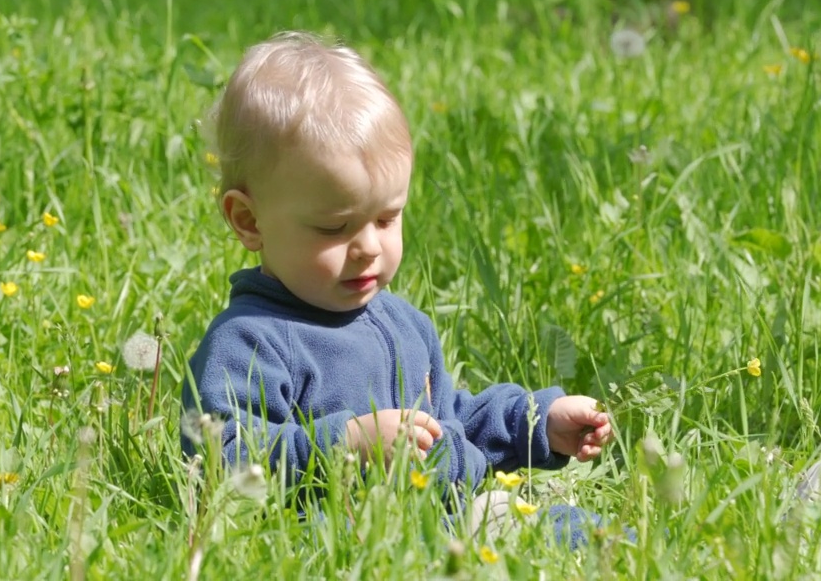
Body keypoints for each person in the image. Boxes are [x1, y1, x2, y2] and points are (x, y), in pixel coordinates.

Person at [181, 31, 616, 547]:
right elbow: (216, 454)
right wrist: (344, 444)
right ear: (249, 220)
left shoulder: (404, 325)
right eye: (334, 228)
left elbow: (452, 420)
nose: (368, 247)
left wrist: (536, 423)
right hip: (339, 530)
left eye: (387, 218)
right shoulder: (251, 341)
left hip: (454, 508)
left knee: (572, 533)